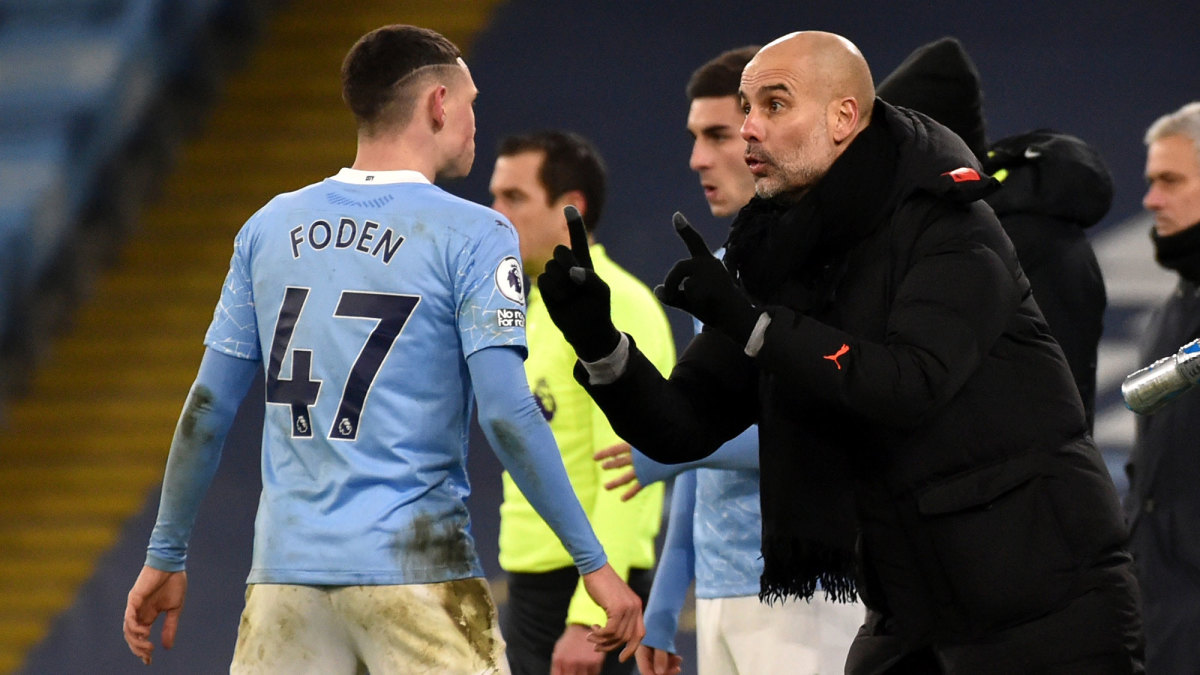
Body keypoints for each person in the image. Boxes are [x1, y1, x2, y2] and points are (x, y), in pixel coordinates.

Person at [536, 30, 1143, 674]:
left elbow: (908, 385)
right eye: (745, 108)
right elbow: (680, 426)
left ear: (843, 117)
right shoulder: (775, 250)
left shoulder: (947, 223)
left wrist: (753, 323)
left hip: (1045, 597)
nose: (748, 129)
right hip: (912, 603)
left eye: (773, 105)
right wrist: (599, 342)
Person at [120, 24, 644, 673]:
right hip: (416, 573)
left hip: (285, 580)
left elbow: (206, 408)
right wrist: (593, 562)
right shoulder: (475, 234)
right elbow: (507, 412)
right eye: (470, 101)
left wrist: (166, 552)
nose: (476, 119)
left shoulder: (267, 227)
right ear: (438, 105)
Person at [597, 46, 862, 675]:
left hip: (813, 587)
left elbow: (833, 425)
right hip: (722, 592)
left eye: (719, 134)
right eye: (699, 136)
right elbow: (705, 439)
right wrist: (667, 601)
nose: (700, 157)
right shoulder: (719, 272)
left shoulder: (832, 262)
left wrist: (680, 448)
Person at [487, 130, 675, 675]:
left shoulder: (618, 308)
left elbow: (630, 476)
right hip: (532, 584)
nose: (495, 214)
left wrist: (586, 618)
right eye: (495, 196)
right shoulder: (536, 308)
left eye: (514, 198)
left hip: (588, 594)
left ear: (571, 207)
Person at [876, 36, 1110, 430]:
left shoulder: (1031, 243)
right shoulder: (970, 228)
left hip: (1020, 486)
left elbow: (1042, 405)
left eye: (892, 145)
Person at [1124, 101, 1200, 674]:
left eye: (1170, 181)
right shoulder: (1171, 312)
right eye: (1152, 181)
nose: (1151, 200)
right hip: (1155, 619)